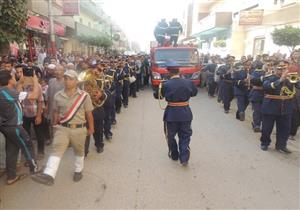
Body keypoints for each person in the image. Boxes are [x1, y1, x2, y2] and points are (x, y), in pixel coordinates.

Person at [31, 70, 94, 185]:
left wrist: (91, 128)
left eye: (70, 79)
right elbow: (56, 111)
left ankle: (78, 170)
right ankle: (49, 175)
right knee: (57, 149)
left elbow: (89, 113)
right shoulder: (58, 95)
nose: (67, 81)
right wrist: (55, 124)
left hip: (79, 129)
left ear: (76, 81)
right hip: (63, 128)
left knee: (79, 151)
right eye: (65, 78)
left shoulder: (84, 96)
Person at [154, 61, 198, 166]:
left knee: (170, 135)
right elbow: (194, 93)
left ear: (168, 72)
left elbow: (158, 96)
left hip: (171, 114)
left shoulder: (165, 84)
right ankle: (184, 158)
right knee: (185, 135)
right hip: (185, 112)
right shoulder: (188, 82)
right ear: (179, 71)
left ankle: (174, 154)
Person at [0, 71, 40, 185]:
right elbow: (34, 95)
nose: (15, 78)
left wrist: (19, 82)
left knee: (11, 151)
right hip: (14, 127)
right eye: (13, 77)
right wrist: (36, 80)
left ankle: (11, 177)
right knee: (28, 146)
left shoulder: (4, 91)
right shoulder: (6, 91)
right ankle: (34, 170)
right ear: (9, 80)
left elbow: (16, 93)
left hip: (6, 126)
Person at [260, 63, 300, 153]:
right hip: (270, 107)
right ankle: (265, 143)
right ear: (275, 69)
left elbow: (298, 86)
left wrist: (296, 80)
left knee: (285, 128)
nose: (282, 71)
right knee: (267, 128)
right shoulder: (270, 77)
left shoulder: (291, 78)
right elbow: (266, 87)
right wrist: (280, 80)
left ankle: (281, 145)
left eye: (285, 69)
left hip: (286, 107)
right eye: (280, 69)